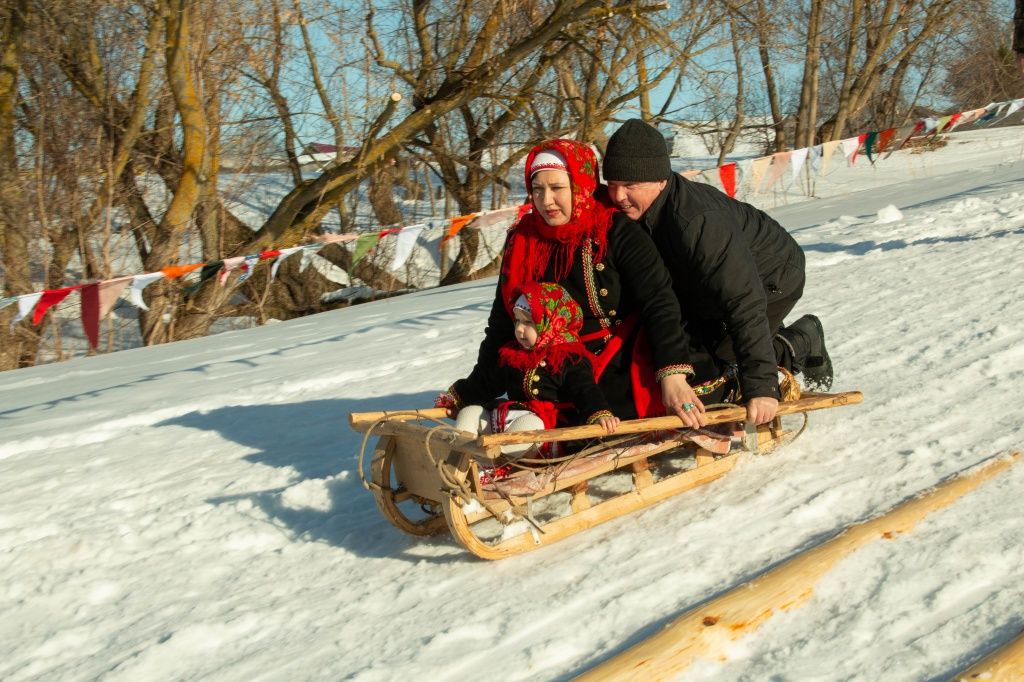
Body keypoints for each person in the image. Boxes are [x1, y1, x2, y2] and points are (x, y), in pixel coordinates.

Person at [440, 139, 731, 432]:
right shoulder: (522, 242)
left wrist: (672, 375)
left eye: (557, 188)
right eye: (537, 189)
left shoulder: (616, 231)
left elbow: (659, 301)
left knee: (607, 406)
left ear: (580, 184)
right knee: (533, 392)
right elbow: (503, 323)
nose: (546, 200)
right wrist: (470, 391)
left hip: (617, 352)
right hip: (549, 358)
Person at [601, 118, 832, 426]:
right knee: (692, 347)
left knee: (723, 357)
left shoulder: (697, 221)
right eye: (612, 184)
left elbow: (743, 300)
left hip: (772, 273)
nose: (618, 196)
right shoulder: (637, 208)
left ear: (660, 180)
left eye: (630, 186)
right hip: (704, 280)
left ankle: (801, 340)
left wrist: (761, 386)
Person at [437, 281, 619, 457]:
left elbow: (585, 391)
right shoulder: (513, 355)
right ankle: (461, 458)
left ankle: (497, 466)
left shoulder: (569, 359)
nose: (519, 329)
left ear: (551, 322)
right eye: (517, 320)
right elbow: (486, 383)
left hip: (546, 428)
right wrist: (459, 398)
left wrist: (599, 414)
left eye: (528, 322)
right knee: (471, 412)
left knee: (528, 426)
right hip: (509, 417)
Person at [1015, 0, 1024, 76]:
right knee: (1020, 50)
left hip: (1019, 22)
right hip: (1020, 22)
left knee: (1020, 51)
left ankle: (1022, 75)